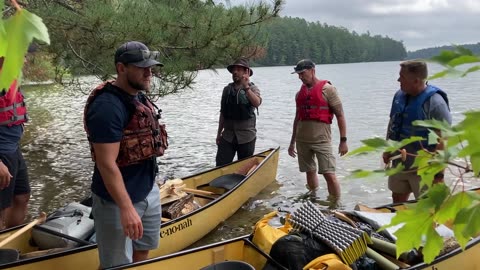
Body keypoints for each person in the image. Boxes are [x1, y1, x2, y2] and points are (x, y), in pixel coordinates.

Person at [84, 41, 167, 268]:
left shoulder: (137, 96)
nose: (149, 72)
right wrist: (126, 208)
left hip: (147, 189)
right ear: (121, 68)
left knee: (143, 251)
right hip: (117, 201)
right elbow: (106, 163)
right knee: (116, 264)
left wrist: (153, 186)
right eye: (142, 67)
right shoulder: (107, 107)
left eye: (150, 67)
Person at [383, 60, 451, 203]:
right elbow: (392, 123)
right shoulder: (398, 96)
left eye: (402, 77)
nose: (398, 80)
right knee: (398, 203)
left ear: (416, 80)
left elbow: (444, 140)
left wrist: (438, 175)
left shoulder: (436, 103)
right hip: (399, 164)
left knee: (427, 209)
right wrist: (387, 149)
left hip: (423, 169)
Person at [288, 59, 348, 201]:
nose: (300, 77)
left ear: (312, 70)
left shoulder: (328, 90)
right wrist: (292, 143)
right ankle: (313, 199)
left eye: (302, 73)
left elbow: (340, 115)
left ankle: (335, 204)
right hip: (302, 140)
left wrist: (343, 141)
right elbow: (297, 118)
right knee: (309, 171)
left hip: (322, 140)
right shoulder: (299, 94)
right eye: (298, 74)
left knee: (329, 174)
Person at [0, 45, 36, 230]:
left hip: (13, 148)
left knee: (22, 196)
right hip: (2, 152)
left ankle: (11, 239)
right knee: (1, 207)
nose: (25, 60)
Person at [216, 58, 262, 166]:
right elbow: (223, 113)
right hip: (227, 136)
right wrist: (218, 134)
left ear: (246, 72)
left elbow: (257, 103)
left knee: (244, 169)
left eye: (239, 69)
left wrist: (246, 87)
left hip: (246, 137)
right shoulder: (227, 90)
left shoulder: (253, 88)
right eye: (234, 70)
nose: (235, 72)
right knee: (220, 166)